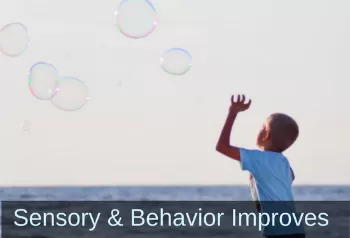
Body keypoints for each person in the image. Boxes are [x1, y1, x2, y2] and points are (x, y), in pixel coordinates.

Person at [216, 94, 305, 238]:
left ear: (266, 135)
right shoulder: (283, 162)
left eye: (262, 127)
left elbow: (222, 147)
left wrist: (233, 112)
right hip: (296, 230)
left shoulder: (259, 159)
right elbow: (291, 176)